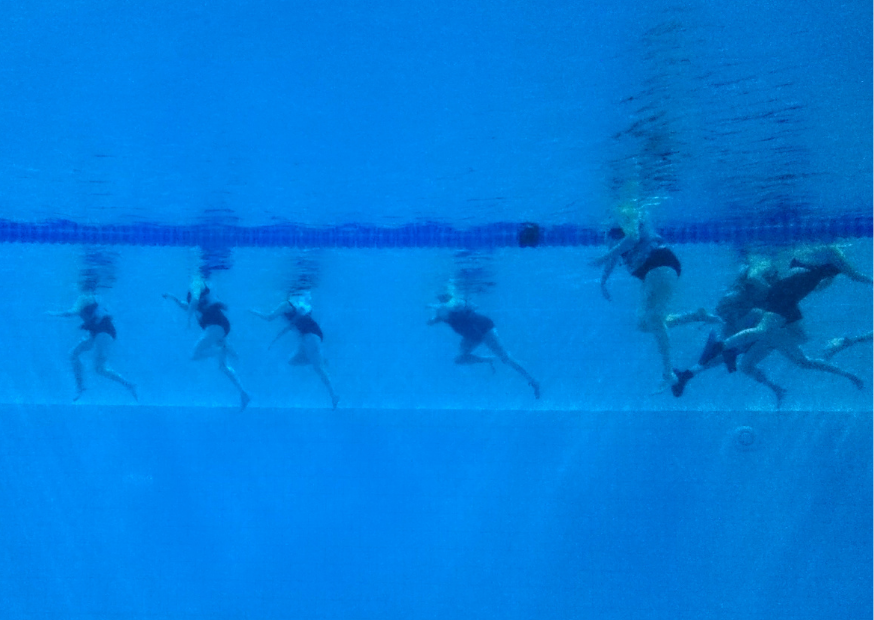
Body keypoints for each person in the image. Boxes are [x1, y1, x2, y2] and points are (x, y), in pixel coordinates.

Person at [697, 245, 870, 392]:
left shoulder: (814, 257)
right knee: (765, 334)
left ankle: (849, 374)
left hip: (788, 298)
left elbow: (816, 286)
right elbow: (855, 275)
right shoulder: (831, 252)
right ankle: (721, 346)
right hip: (785, 296)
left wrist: (831, 276)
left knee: (800, 354)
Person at [591, 217, 682, 388]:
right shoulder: (611, 231)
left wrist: (603, 257)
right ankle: (695, 316)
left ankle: (668, 372)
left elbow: (632, 239)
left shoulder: (627, 214)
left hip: (659, 263)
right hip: (650, 271)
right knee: (643, 324)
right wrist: (603, 281)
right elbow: (615, 255)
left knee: (654, 319)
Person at [427, 289, 540, 399]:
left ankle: (533, 380)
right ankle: (489, 359)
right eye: (439, 296)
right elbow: (433, 320)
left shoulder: (456, 302)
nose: (440, 296)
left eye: (443, 295)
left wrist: (441, 307)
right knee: (459, 359)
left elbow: (454, 305)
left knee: (505, 358)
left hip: (484, 328)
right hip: (471, 336)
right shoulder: (441, 312)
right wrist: (433, 317)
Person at [163, 280, 250, 410]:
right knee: (223, 366)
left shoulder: (201, 300)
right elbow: (184, 305)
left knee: (195, 354)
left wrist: (188, 319)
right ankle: (243, 393)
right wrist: (171, 297)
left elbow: (193, 302)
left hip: (216, 328)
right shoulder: (197, 306)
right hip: (219, 329)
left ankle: (221, 348)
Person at [250, 292, 339, 409]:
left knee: (318, 368)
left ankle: (333, 395)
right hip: (306, 336)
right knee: (292, 361)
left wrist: (252, 311)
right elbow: (289, 327)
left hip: (310, 334)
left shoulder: (286, 304)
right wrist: (274, 340)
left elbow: (269, 317)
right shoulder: (296, 308)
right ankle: (318, 360)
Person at [48, 291, 137, 401]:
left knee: (99, 368)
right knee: (74, 355)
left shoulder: (84, 297)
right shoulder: (92, 298)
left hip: (103, 333)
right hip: (97, 333)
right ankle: (81, 387)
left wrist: (53, 313)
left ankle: (128, 384)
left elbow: (72, 312)